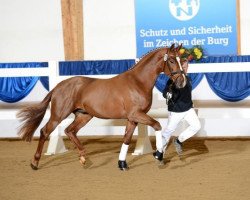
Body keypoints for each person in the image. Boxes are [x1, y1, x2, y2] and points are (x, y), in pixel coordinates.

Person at [153, 62, 201, 161]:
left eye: (185, 67)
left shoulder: (188, 79)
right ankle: (160, 152)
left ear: (187, 67)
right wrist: (168, 94)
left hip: (188, 109)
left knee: (197, 126)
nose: (184, 68)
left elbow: (187, 94)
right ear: (178, 67)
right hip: (175, 111)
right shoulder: (172, 80)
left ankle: (179, 140)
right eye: (182, 67)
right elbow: (165, 93)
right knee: (168, 132)